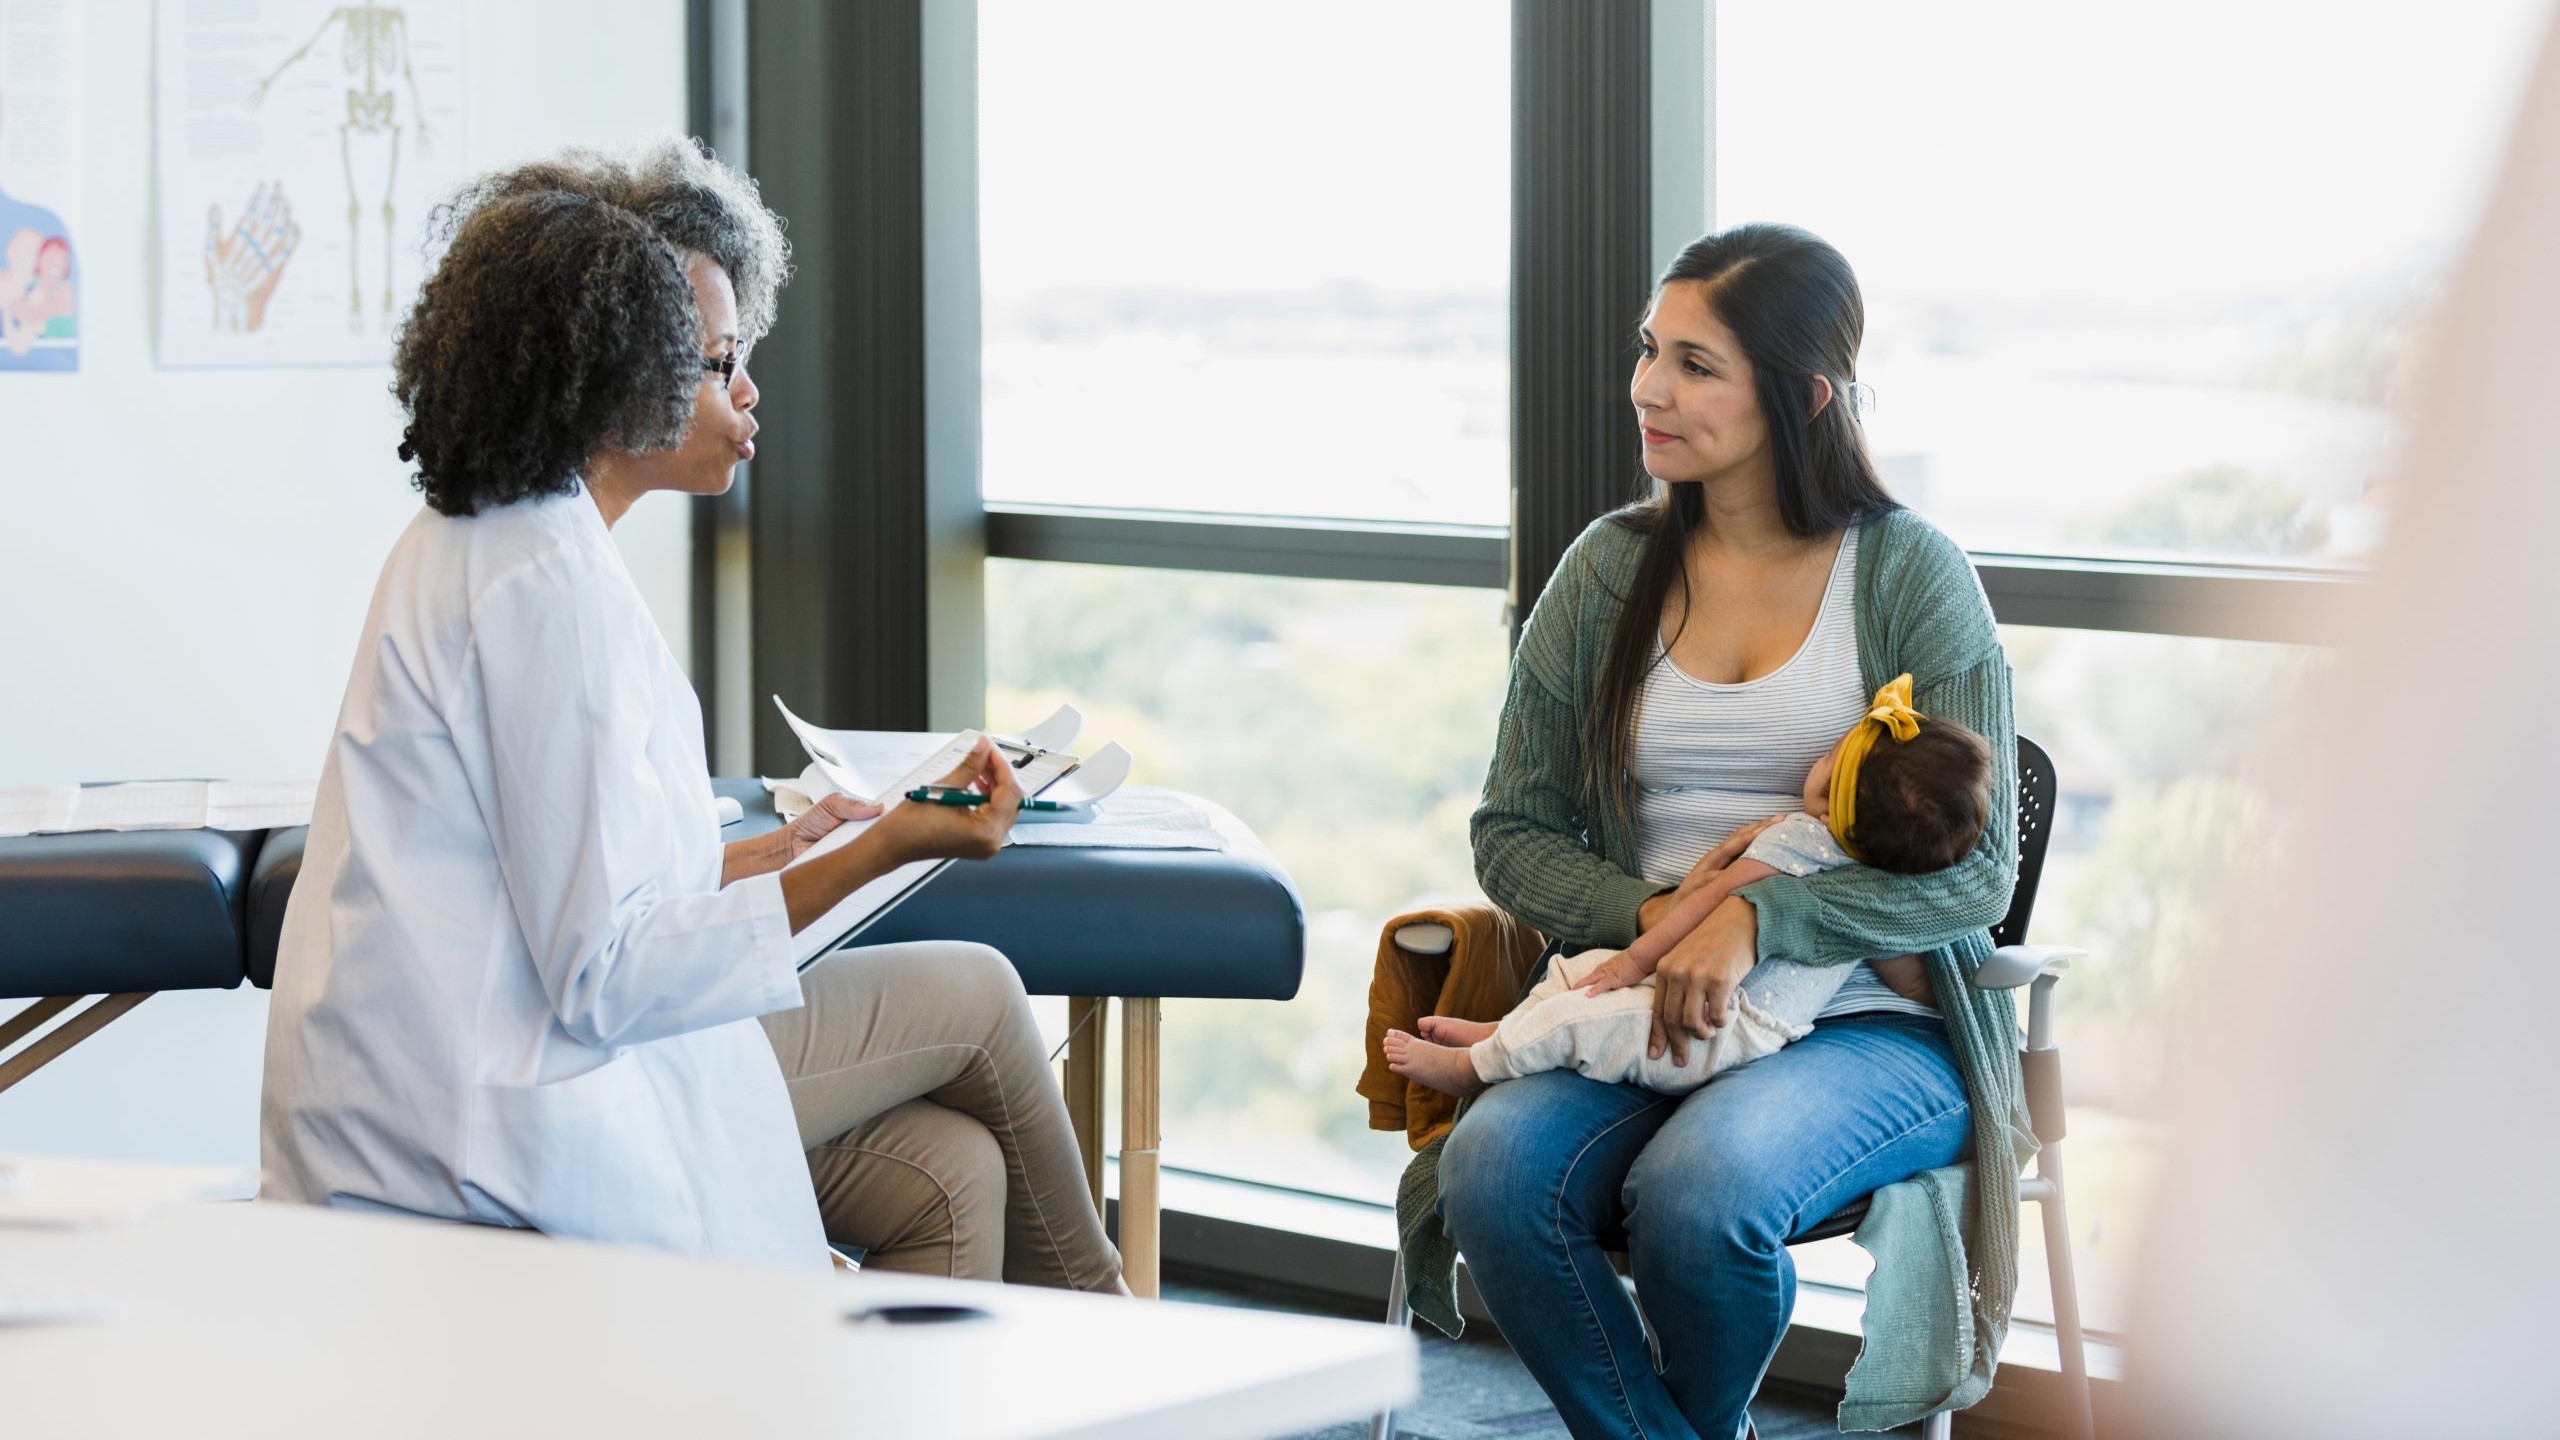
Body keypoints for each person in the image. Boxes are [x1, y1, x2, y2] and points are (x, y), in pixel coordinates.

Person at [261, 139, 1123, 1293]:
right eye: (722, 364)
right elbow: (608, 974)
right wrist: (887, 845)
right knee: (975, 990)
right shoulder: (545, 593)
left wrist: (784, 851)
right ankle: (1127, 1347)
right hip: (486, 1131)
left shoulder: (490, 542)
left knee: (947, 1166)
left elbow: (574, 888)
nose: (749, 393)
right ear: (620, 382)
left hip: (466, 1084)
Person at [1427, 223, 2028, 1438]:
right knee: (1490, 1173)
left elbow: (1979, 876)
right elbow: (1512, 830)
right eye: (1652, 351)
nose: (1650, 387)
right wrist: (1657, 918)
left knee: (1698, 1196)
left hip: (1871, 1017)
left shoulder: (1909, 572)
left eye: (1697, 363)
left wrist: (1758, 912)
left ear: (1802, 394)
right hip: (1643, 997)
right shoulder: (1608, 569)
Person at [1382, 676, 1992, 1099]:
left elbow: (1702, 903)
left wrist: (1634, 958)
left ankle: (1475, 1068)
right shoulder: (1878, 873)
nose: (1821, 753)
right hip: (1750, 1022)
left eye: (1832, 755)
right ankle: (1507, 1032)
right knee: (1576, 977)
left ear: (1832, 805)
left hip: (1711, 1024)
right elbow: (1903, 971)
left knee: (1588, 1008)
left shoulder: (1799, 840)